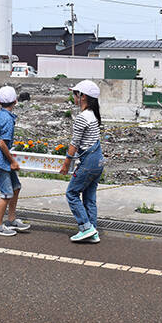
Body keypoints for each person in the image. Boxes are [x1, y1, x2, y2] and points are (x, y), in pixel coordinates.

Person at [60, 80, 105, 243]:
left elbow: (74, 143)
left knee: (71, 193)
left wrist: (66, 164)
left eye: (75, 93)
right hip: (98, 161)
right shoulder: (93, 114)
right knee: (89, 197)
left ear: (83, 96)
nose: (73, 97)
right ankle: (92, 232)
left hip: (89, 163)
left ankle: (86, 227)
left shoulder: (82, 117)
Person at [0, 85, 31, 236]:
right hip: (1, 162)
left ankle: (11, 219)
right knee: (6, 193)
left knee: (16, 187)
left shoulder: (1, 115)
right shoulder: (7, 120)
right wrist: (13, 161)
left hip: (2, 160)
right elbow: (2, 143)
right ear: (15, 102)